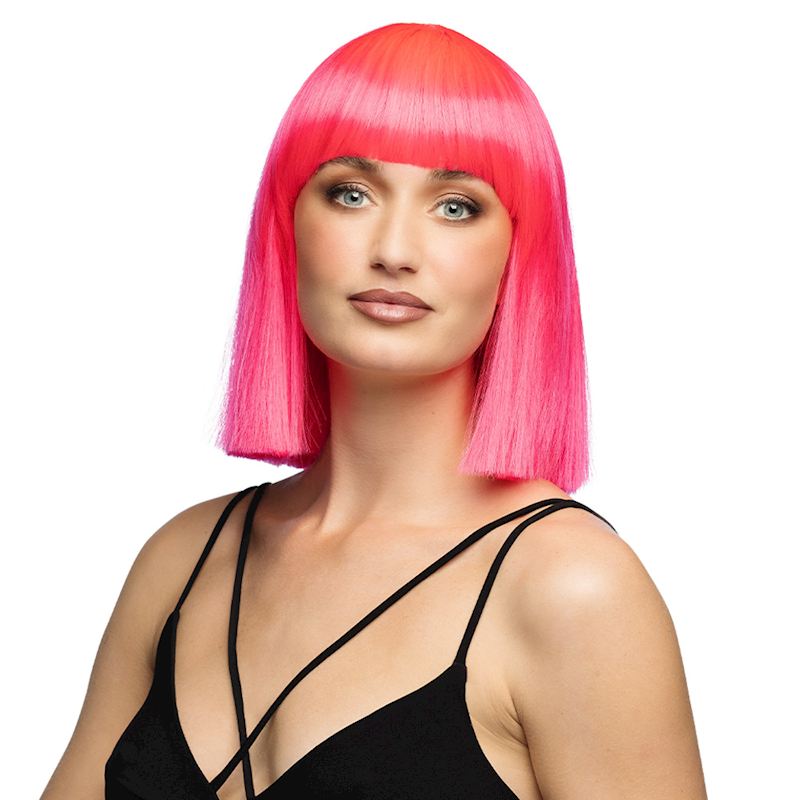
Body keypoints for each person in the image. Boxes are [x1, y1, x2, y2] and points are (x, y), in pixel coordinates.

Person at [41, 22, 707, 800]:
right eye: (350, 193)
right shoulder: (184, 561)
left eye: (455, 205)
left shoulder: (572, 588)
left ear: (517, 255)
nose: (394, 249)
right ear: (288, 224)